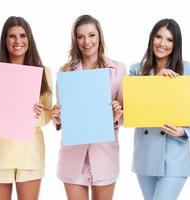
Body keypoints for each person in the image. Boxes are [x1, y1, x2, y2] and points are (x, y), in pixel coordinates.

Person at [0, 16, 52, 200]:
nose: (18, 41)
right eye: (12, 36)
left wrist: (38, 114)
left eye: (23, 36)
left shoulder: (43, 72)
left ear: (29, 39)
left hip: (29, 154)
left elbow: (47, 117)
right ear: (5, 40)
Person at [52, 15, 126, 200]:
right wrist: (59, 118)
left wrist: (116, 116)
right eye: (81, 37)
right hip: (73, 156)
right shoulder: (66, 71)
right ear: (75, 40)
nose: (87, 41)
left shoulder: (118, 70)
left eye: (91, 35)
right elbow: (64, 114)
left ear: (99, 37)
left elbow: (126, 116)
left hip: (104, 154)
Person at [129, 18, 190, 200]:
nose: (162, 44)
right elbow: (133, 112)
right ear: (151, 39)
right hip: (145, 156)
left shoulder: (186, 69)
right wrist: (156, 83)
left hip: (174, 155)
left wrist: (183, 131)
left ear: (176, 44)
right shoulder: (136, 71)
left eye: (169, 40)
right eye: (158, 37)